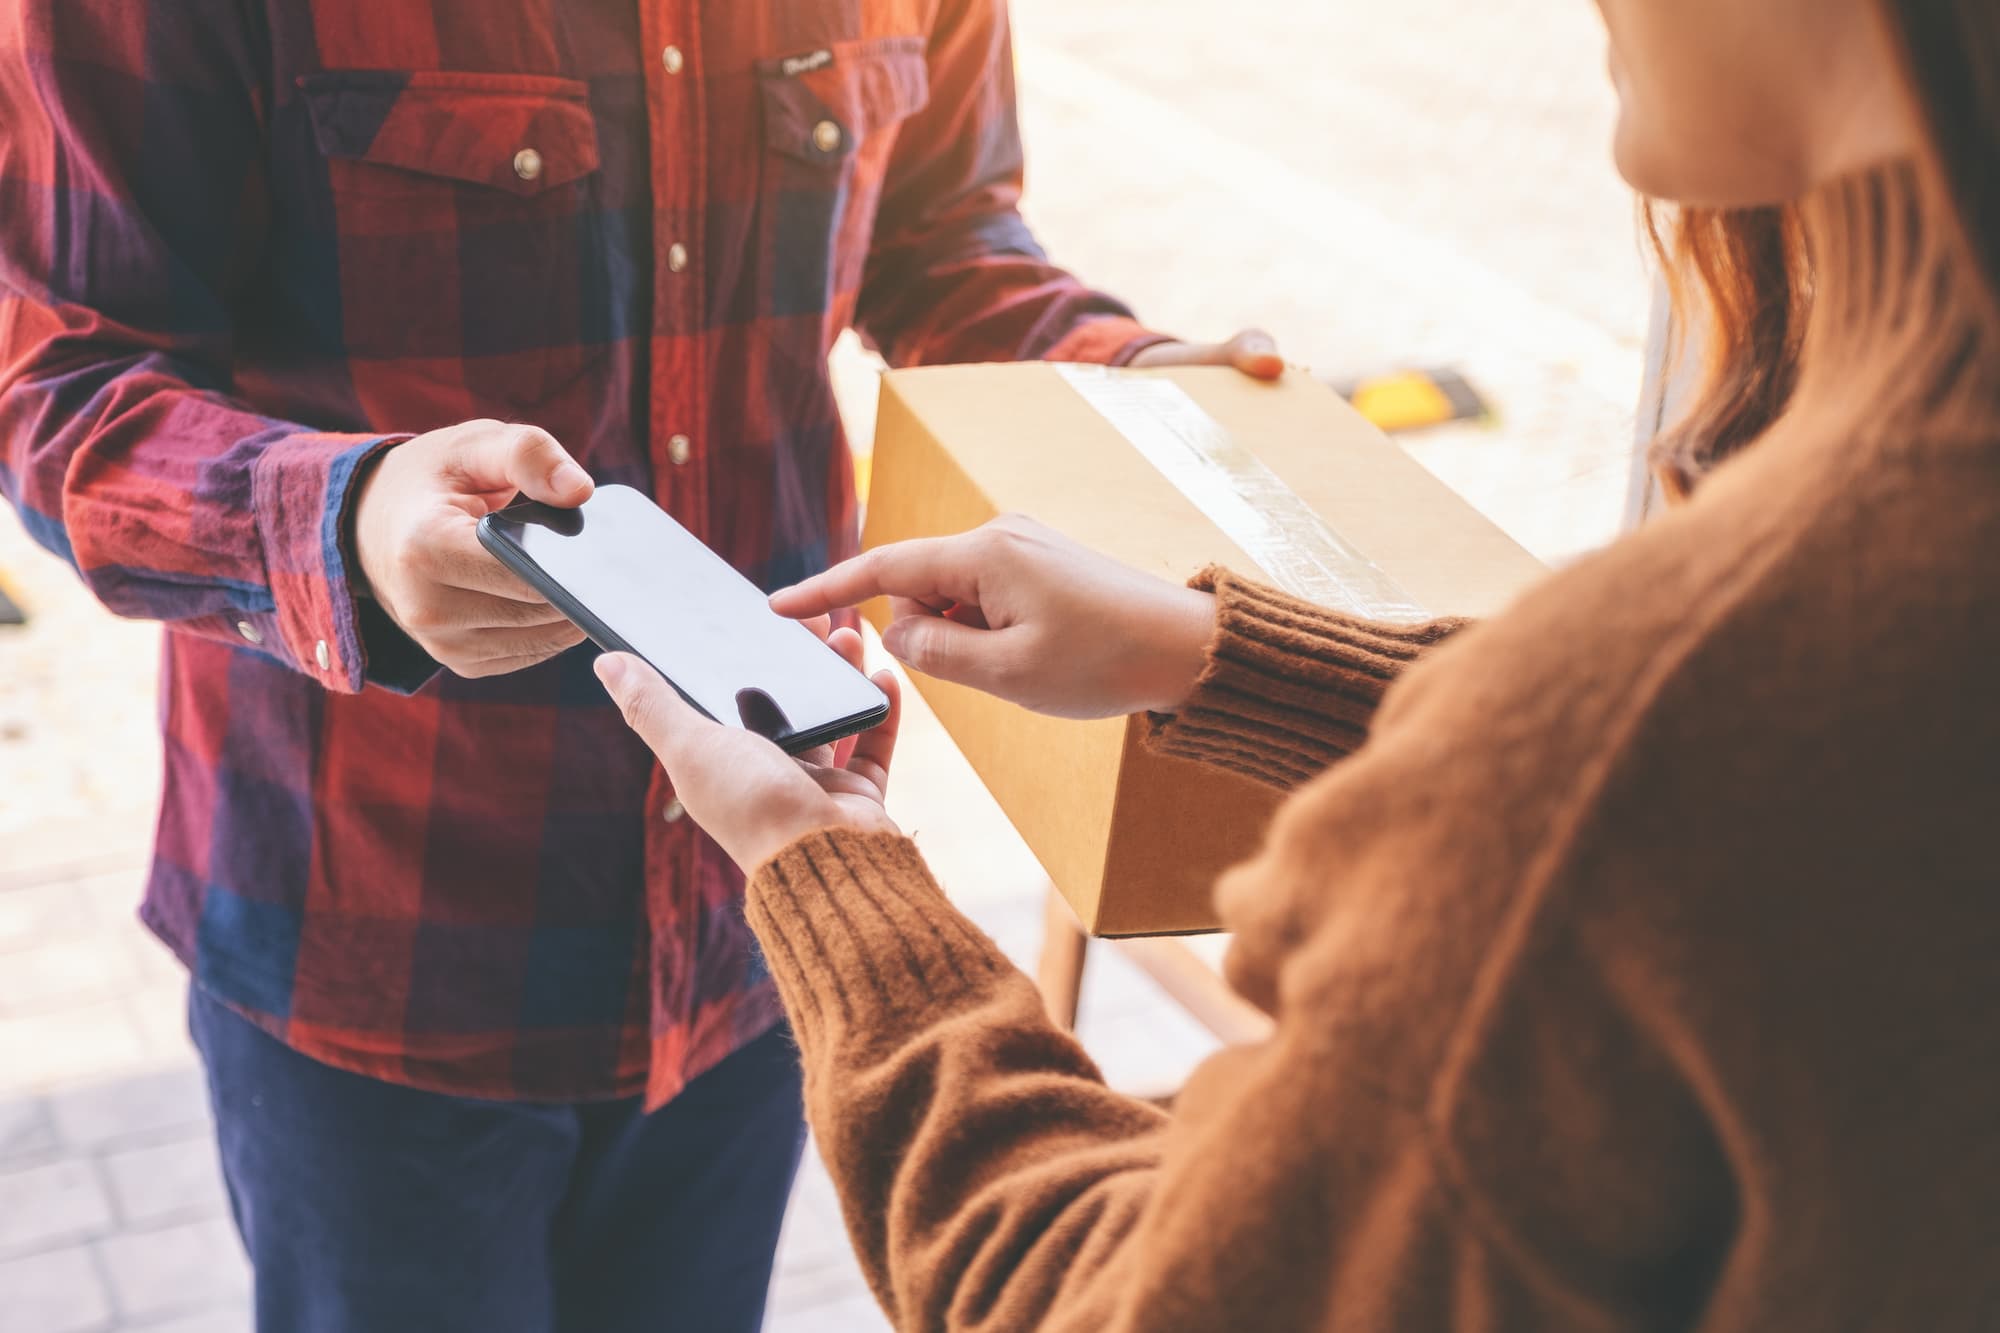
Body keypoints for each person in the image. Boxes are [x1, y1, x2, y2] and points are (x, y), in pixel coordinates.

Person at [594, 0, 2000, 1326]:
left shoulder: (1625, 742)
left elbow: (1109, 1300)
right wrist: (1222, 655)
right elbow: (1711, 795)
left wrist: (831, 868)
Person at [0, 2, 1276, 1328]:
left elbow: (945, 235)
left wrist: (1122, 376)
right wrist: (355, 519)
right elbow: (60, 378)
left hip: (761, 908)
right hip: (377, 933)